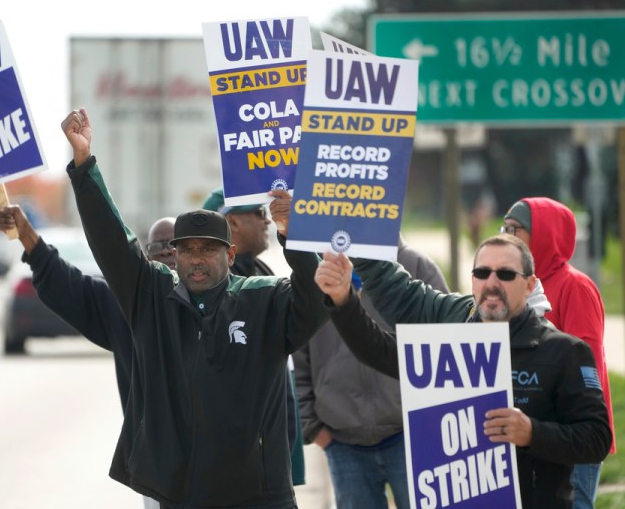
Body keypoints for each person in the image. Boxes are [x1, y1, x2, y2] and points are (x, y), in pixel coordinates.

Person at [62, 108, 326, 508]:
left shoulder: (263, 299)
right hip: (180, 495)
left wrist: (296, 236)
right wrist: (84, 166)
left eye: (208, 250)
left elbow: (315, 301)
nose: (196, 260)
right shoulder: (153, 299)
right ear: (174, 254)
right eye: (186, 251)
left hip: (259, 496)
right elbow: (114, 243)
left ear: (230, 253)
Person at [314, 234, 611, 509]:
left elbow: (596, 438)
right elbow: (378, 351)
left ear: (530, 284)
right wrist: (343, 302)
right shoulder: (450, 343)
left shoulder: (564, 351)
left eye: (505, 274)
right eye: (482, 273)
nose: (491, 283)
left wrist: (532, 432)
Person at [0, 203, 174, 509]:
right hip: (162, 471)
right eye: (158, 246)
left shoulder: (224, 303)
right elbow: (65, 282)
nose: (168, 252)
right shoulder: (125, 309)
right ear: (146, 257)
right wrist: (26, 235)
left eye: (176, 244)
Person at [293, 234, 449, 509]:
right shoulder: (318, 271)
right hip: (342, 440)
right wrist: (314, 427)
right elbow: (297, 352)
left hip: (412, 434)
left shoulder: (416, 265)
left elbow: (445, 346)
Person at [503, 197, 615, 509]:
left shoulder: (574, 286)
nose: (507, 236)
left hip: (570, 434)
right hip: (534, 432)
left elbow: (583, 361)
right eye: (504, 227)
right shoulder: (517, 284)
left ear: (545, 235)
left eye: (516, 229)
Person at [202, 187, 306, 486]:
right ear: (232, 222)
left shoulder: (260, 270)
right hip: (243, 468)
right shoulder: (213, 287)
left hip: (272, 456)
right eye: (259, 213)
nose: (267, 222)